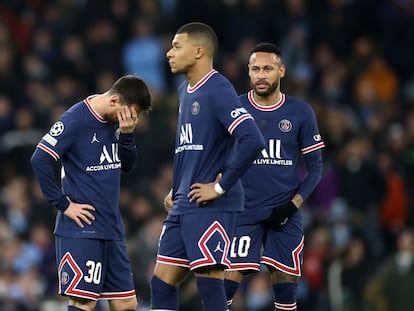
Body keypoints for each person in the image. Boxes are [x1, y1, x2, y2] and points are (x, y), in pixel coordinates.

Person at [150, 22, 265, 311]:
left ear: (199, 51)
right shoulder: (185, 90)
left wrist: (220, 186)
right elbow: (193, 146)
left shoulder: (217, 88)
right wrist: (176, 188)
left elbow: (252, 139)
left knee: (208, 280)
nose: (168, 53)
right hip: (184, 200)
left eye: (177, 46)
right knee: (161, 282)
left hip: (212, 203)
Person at [30, 75, 152, 311]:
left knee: (126, 303)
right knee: (84, 301)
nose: (128, 119)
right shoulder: (76, 119)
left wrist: (127, 135)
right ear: (115, 100)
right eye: (127, 114)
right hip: (81, 229)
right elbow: (40, 158)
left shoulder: (119, 124)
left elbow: (127, 165)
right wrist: (63, 204)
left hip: (111, 227)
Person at [223, 43, 325, 311]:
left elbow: (315, 168)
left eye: (268, 69)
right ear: (248, 72)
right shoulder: (234, 108)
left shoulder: (300, 112)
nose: (261, 75)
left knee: (285, 279)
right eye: (255, 69)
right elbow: (214, 154)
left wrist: (293, 204)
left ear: (281, 71)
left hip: (285, 210)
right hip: (243, 208)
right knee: (227, 276)